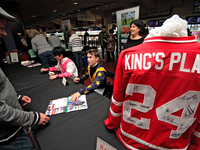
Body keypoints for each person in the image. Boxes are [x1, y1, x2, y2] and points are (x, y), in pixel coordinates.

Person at [104, 14, 200, 150]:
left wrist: (111, 123)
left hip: (131, 135)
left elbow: (118, 96)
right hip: (174, 143)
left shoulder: (128, 55)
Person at [0, 10, 49, 149]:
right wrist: (33, 118)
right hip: (7, 139)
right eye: (1, 28)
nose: (4, 33)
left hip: (11, 131)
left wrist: (16, 97)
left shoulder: (33, 40)